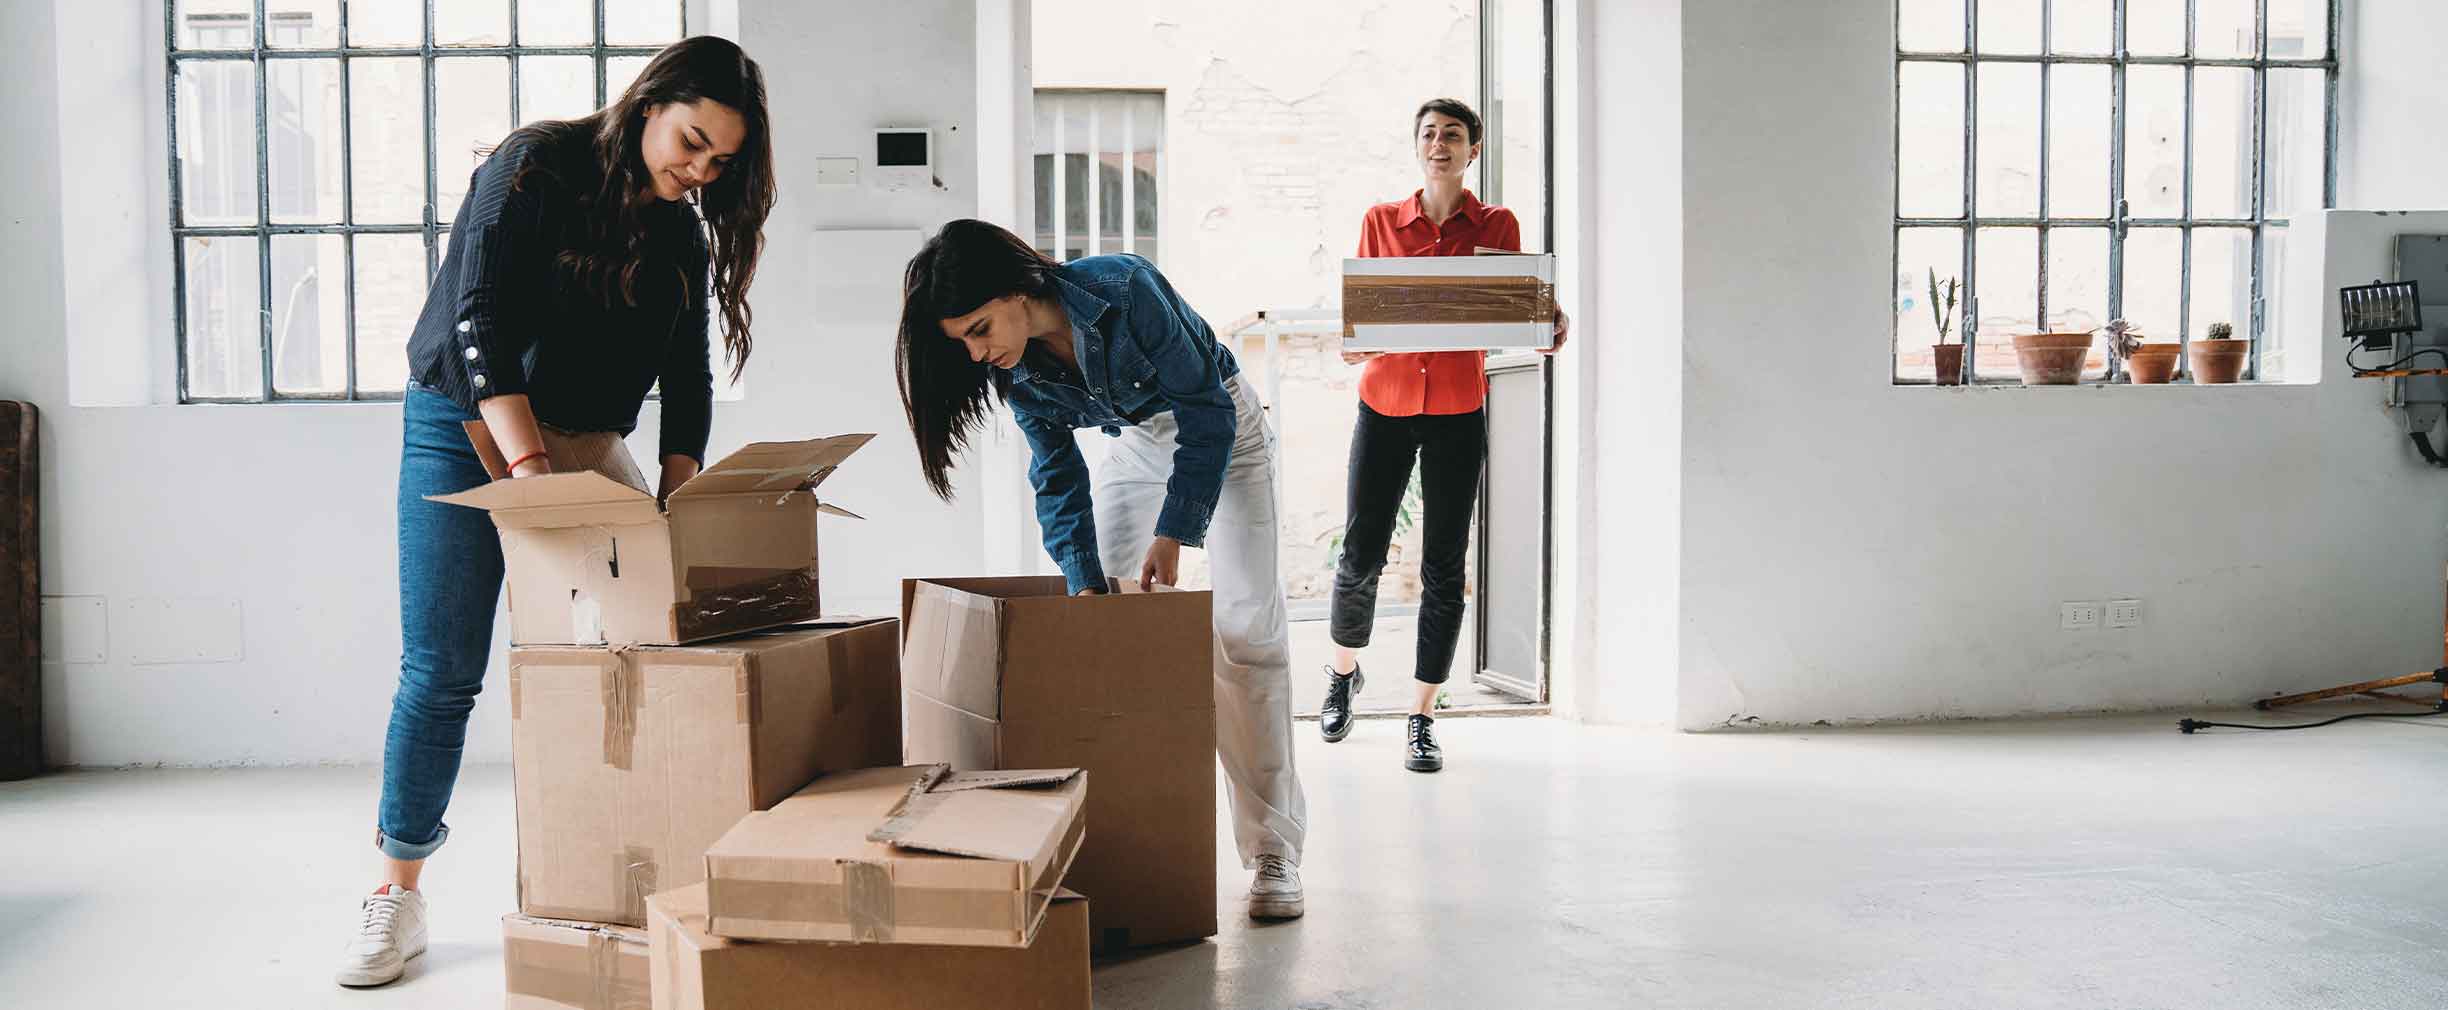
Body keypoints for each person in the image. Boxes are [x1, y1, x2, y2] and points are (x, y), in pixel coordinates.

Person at [339, 36, 774, 988]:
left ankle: (627, 874)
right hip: (465, 421)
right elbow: (476, 313)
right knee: (443, 668)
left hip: (581, 439)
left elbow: (689, 369)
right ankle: (396, 893)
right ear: (651, 101)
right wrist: (528, 467)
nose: (697, 170)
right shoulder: (535, 164)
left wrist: (679, 486)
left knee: (644, 656)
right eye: (692, 141)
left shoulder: (680, 231)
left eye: (720, 162)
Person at [894, 219, 1310, 920]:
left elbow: (1205, 410)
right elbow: (1056, 475)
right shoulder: (1014, 370)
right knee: (1103, 629)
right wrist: (1083, 575)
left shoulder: (1125, 286)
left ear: (1015, 293)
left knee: (1245, 635)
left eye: (979, 327)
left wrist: (1178, 528)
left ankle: (1274, 852)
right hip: (1137, 445)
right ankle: (1123, 838)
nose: (976, 351)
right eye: (962, 341)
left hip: (1223, 431)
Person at [1320, 98, 1569, 772]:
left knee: (1444, 565)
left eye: (1452, 135)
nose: (1439, 144)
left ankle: (1423, 715)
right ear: (1417, 147)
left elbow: (1511, 315)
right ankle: (1343, 672)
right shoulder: (1381, 221)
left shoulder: (1496, 225)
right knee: (1361, 552)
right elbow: (1367, 316)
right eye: (1429, 134)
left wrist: (1544, 321)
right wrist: (1354, 342)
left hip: (1459, 407)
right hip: (1386, 403)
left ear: (1473, 150)